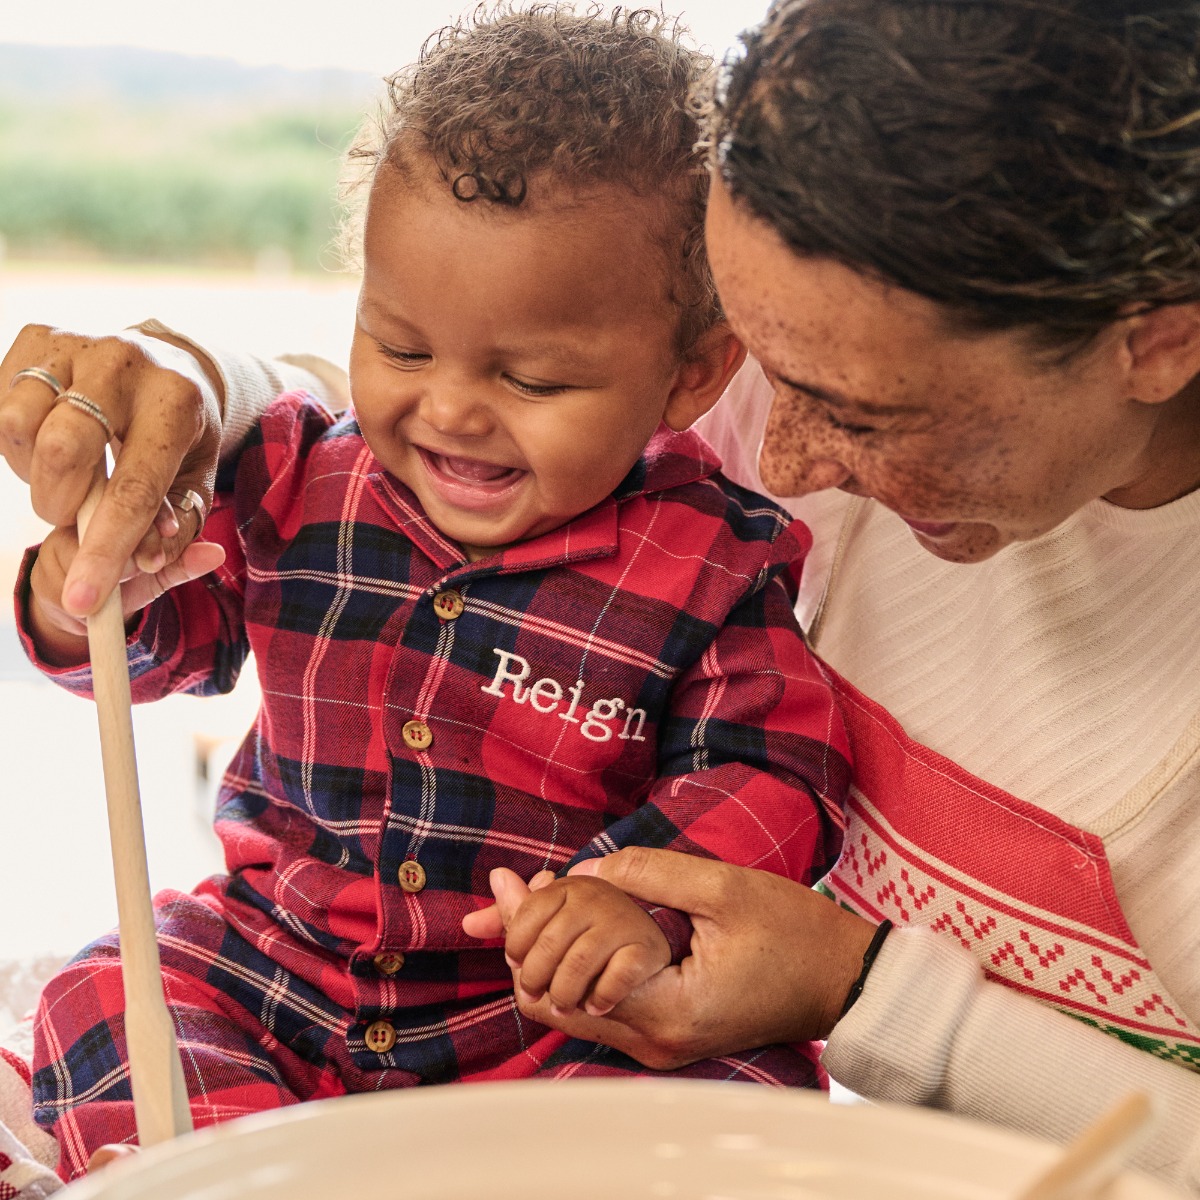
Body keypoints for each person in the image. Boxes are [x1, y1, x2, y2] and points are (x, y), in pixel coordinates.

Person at [5, 0, 1199, 1191]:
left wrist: (786, 961)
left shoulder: (711, 545)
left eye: (864, 412)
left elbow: (762, 767)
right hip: (284, 972)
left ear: (1157, 341)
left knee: (728, 1113)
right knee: (109, 996)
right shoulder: (358, 461)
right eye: (404, 348)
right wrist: (172, 423)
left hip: (548, 1027)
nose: (777, 466)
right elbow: (302, 473)